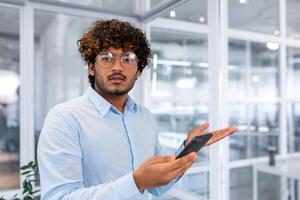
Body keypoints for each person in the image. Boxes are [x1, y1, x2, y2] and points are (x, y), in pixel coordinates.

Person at [37, 19, 237, 200]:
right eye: (107, 58)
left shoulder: (144, 117)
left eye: (128, 59)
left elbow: (157, 187)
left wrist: (187, 149)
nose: (117, 67)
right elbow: (60, 197)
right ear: (91, 67)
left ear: (139, 71)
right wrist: (136, 182)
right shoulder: (64, 118)